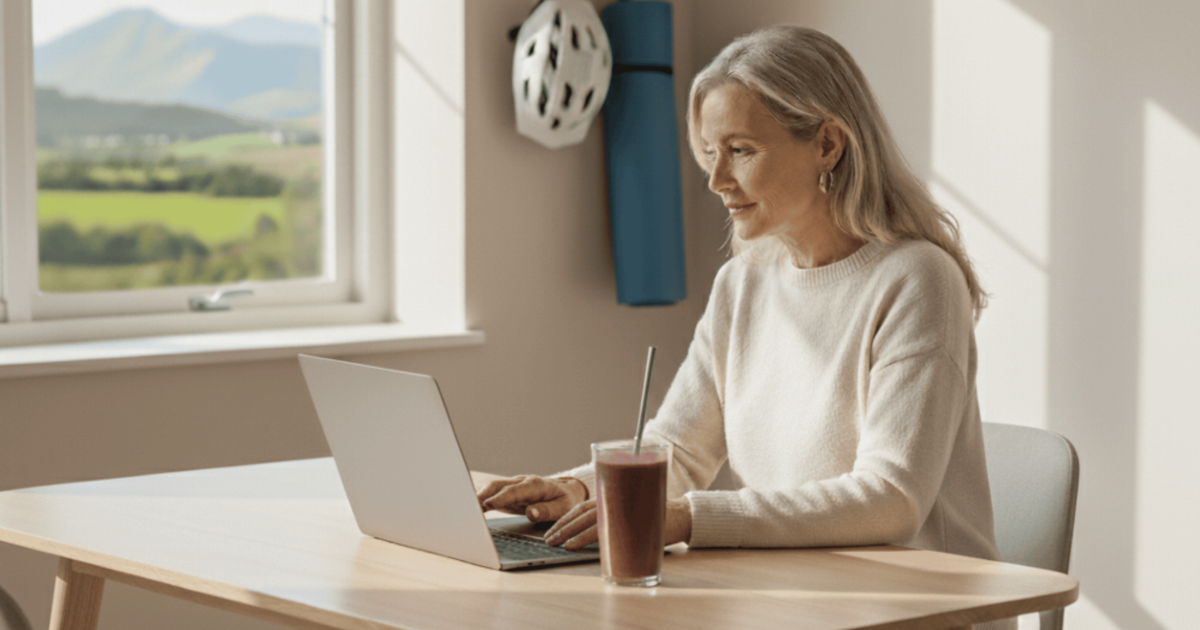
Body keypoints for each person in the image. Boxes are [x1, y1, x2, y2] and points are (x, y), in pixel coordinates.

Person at [480, 26, 1010, 626]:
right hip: (792, 600)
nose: (716, 180)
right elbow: (679, 449)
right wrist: (580, 489)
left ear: (828, 145)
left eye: (742, 150)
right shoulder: (745, 281)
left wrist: (685, 519)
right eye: (711, 152)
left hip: (922, 610)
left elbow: (891, 501)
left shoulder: (917, 279)